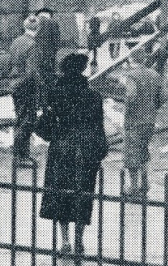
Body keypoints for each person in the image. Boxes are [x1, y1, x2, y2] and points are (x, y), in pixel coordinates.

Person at [39, 52, 109, 257]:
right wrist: (99, 151)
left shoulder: (55, 93)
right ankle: (79, 239)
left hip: (61, 149)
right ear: (82, 70)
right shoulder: (94, 96)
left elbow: (45, 126)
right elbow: (98, 127)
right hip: (86, 150)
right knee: (82, 194)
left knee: (61, 194)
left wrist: (53, 134)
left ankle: (65, 241)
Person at [120, 49, 163, 197]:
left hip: (134, 121)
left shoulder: (132, 76)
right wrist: (152, 108)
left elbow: (131, 97)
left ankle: (133, 187)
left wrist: (127, 115)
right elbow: (161, 97)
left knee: (131, 154)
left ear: (131, 59)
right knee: (143, 151)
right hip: (149, 121)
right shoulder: (155, 75)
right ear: (144, 59)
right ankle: (145, 184)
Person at [9, 15, 39, 167]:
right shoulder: (32, 45)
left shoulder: (16, 42)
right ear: (38, 28)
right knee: (27, 120)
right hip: (27, 88)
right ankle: (21, 157)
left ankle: (20, 154)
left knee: (20, 119)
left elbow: (9, 64)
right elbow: (31, 72)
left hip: (15, 85)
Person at [32, 7, 62, 108]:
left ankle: (37, 102)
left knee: (35, 78)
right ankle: (47, 103)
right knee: (48, 79)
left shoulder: (32, 22)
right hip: (48, 57)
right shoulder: (53, 23)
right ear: (49, 14)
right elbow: (57, 42)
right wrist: (52, 53)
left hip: (34, 56)